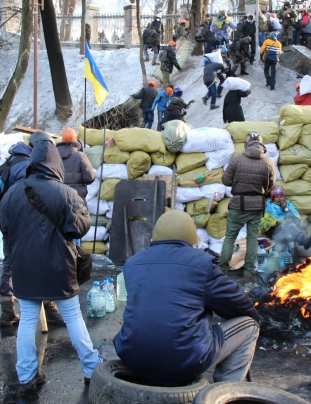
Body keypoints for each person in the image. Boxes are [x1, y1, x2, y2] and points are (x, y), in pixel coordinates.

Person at [114, 210, 260, 385]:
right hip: (183, 361)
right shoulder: (201, 263)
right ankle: (223, 392)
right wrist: (258, 320)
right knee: (250, 325)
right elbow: (238, 302)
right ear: (191, 237)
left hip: (131, 356)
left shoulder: (133, 263)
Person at [0, 139, 100, 390]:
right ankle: (91, 368)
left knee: (28, 320)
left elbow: (5, 226)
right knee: (74, 317)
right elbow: (80, 227)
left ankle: (26, 376)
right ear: (56, 164)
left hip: (24, 266)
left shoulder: (13, 192)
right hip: (60, 266)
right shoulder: (67, 193)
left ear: (33, 163)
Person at [0, 132, 64, 328]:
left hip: (11, 222)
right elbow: (25, 196)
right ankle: (46, 308)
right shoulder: (25, 166)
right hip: (24, 224)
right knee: (35, 265)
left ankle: (8, 311)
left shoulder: (13, 161)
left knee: (9, 264)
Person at [219, 132, 275, 273]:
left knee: (230, 238)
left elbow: (225, 181)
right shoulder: (268, 163)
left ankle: (222, 270)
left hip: (238, 204)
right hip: (257, 205)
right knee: (252, 238)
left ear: (246, 144)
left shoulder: (236, 160)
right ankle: (249, 271)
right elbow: (270, 186)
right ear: (261, 145)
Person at [57, 128, 95, 201]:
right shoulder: (81, 156)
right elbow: (90, 178)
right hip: (76, 198)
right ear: (75, 140)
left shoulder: (53, 155)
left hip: (58, 197)